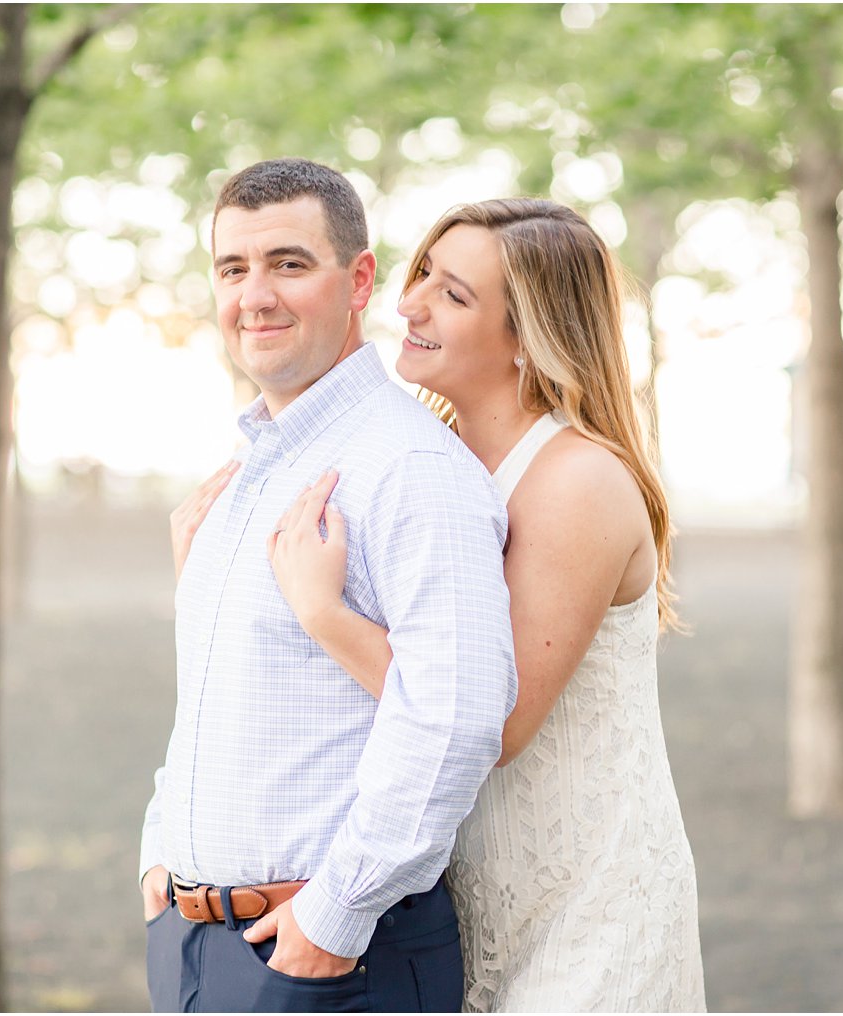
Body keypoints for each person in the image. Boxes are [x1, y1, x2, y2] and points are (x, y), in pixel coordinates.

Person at [267, 199, 707, 1011]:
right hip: (460, 906)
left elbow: (493, 724)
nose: (410, 303)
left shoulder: (579, 481)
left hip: (589, 914)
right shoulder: (432, 461)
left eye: (454, 295)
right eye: (423, 274)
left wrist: (324, 615)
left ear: (528, 336)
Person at [139, 159, 518, 1013]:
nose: (255, 294)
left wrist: (335, 919)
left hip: (331, 964)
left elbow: (455, 713)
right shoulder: (242, 476)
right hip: (194, 947)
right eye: (233, 269)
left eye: (288, 263)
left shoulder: (410, 466)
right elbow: (208, 695)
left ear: (359, 281)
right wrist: (159, 859)